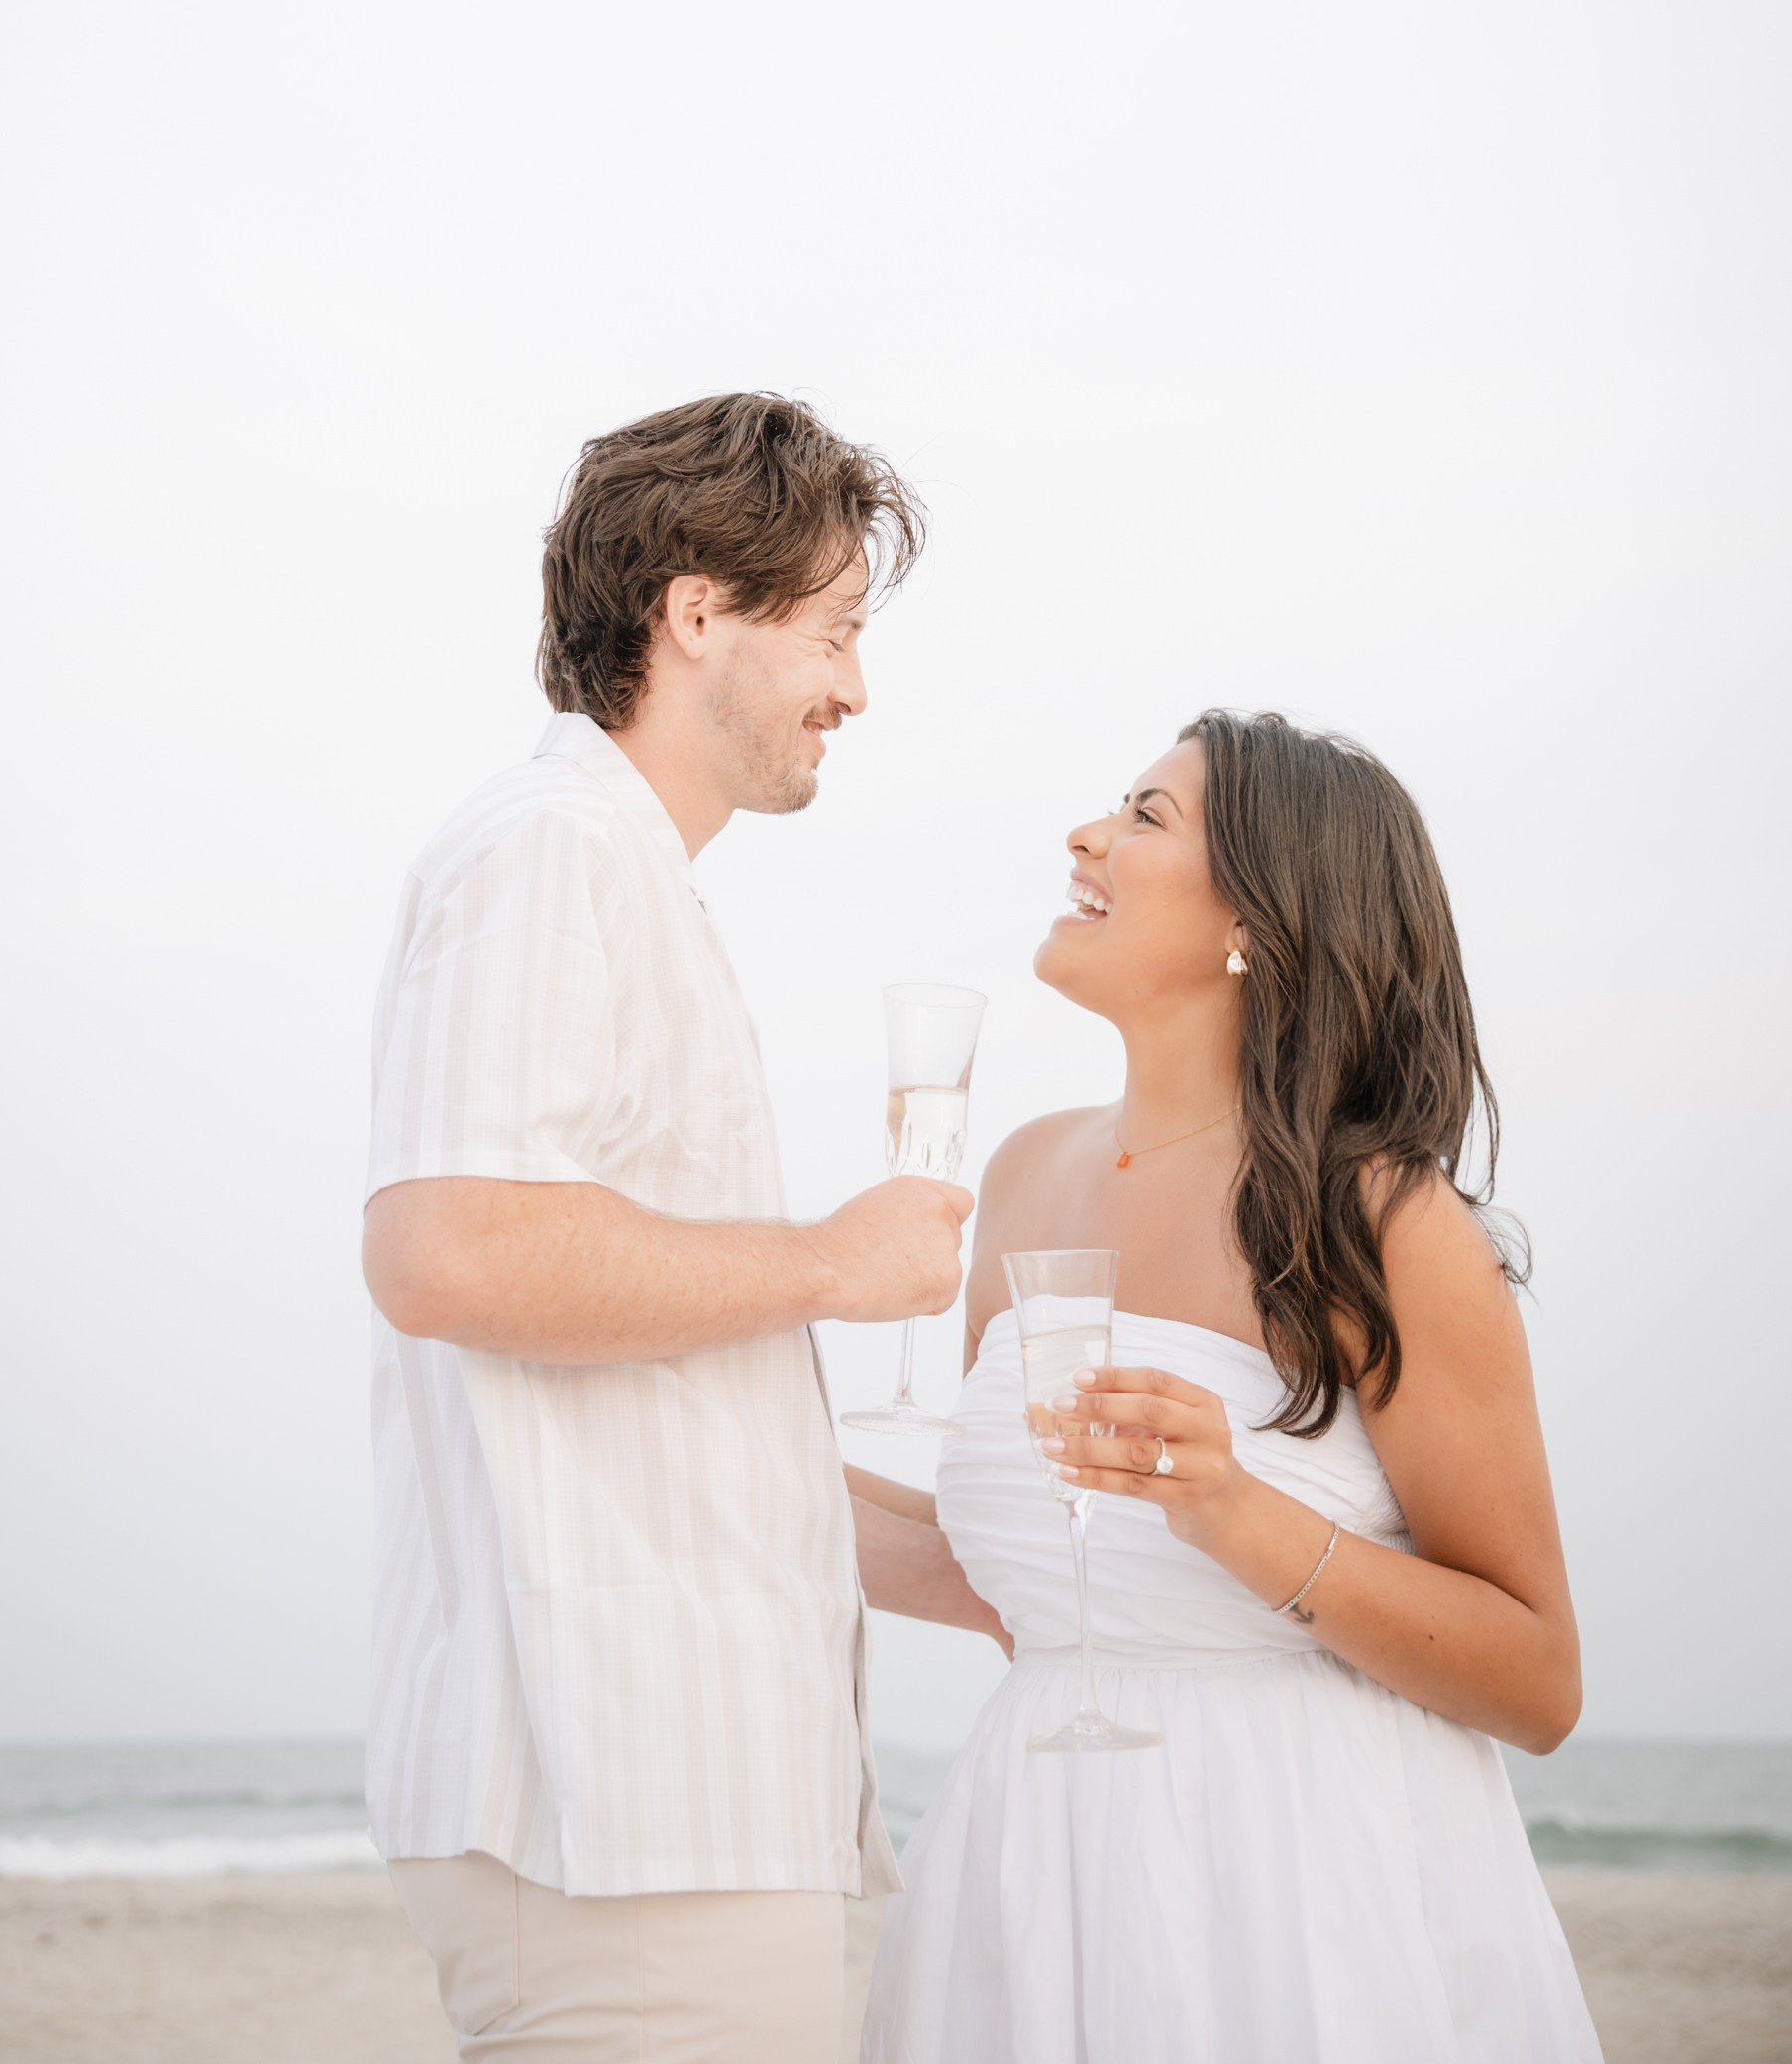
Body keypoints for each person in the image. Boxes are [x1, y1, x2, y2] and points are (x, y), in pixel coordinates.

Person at [362, 392, 975, 2064]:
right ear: (697, 611)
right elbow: (450, 1253)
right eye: (836, 631)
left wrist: (995, 1574)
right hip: (619, 1809)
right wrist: (840, 1264)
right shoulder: (555, 852)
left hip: (662, 1808)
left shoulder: (614, 874)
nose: (857, 686)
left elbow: (679, 1415)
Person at [850, 710, 1603, 2063]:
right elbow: (1025, 1589)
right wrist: (736, 1445)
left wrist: (1240, 1515)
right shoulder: (1021, 1175)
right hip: (1037, 1864)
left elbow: (1538, 1681)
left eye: (1144, 818)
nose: (1084, 836)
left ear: (1258, 917)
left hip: (1304, 1884)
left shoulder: (1383, 1223)